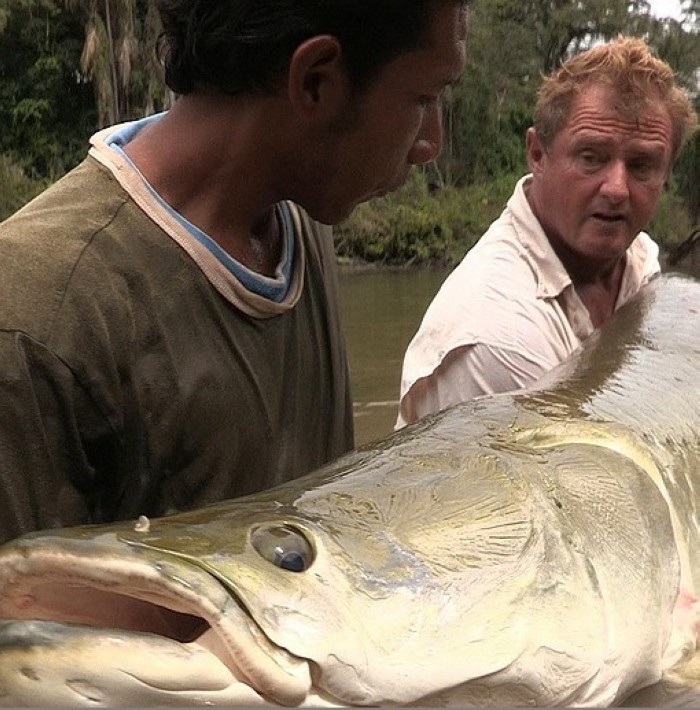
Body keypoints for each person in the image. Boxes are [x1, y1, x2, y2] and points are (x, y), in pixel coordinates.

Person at [0, 0, 471, 544]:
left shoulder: (301, 216)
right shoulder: (39, 318)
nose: (430, 142)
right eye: (424, 97)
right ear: (316, 81)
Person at [396, 36, 697, 429]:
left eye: (642, 165)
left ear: (665, 173)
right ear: (537, 154)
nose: (617, 189)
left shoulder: (638, 257)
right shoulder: (494, 338)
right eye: (591, 158)